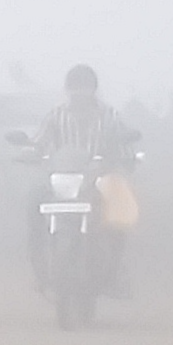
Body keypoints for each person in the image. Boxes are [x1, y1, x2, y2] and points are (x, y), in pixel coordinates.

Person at [24, 64, 141, 294]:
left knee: (120, 213)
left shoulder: (110, 115)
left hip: (99, 180)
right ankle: (41, 270)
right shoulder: (56, 116)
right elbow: (39, 141)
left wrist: (128, 159)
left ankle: (115, 272)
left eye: (84, 87)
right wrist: (29, 153)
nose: (79, 92)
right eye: (74, 87)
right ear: (67, 89)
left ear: (93, 89)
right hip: (60, 180)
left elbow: (124, 142)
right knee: (33, 204)